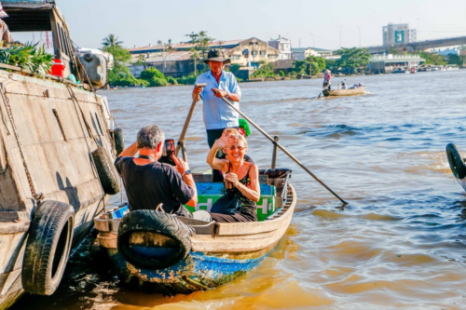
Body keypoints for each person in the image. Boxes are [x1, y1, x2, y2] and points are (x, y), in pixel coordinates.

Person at [115, 124, 211, 221]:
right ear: (160, 145)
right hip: (172, 225)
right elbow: (192, 201)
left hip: (141, 222)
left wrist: (142, 141)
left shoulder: (125, 165)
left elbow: (120, 157)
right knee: (205, 215)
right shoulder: (167, 170)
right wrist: (187, 172)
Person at [192, 49, 242, 149]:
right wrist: (196, 92)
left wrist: (225, 93)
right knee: (216, 157)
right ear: (209, 63)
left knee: (232, 153)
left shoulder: (230, 77)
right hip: (212, 124)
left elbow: (237, 97)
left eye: (218, 62)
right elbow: (196, 99)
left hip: (230, 122)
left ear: (223, 63)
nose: (216, 65)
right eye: (213, 62)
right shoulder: (202, 78)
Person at [207, 134, 260, 222]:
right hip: (229, 210)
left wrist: (237, 184)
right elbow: (210, 161)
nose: (235, 151)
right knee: (207, 216)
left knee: (211, 218)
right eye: (232, 148)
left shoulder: (251, 168)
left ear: (245, 150)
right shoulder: (226, 165)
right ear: (227, 150)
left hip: (246, 214)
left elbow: (256, 197)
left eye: (239, 148)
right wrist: (216, 145)